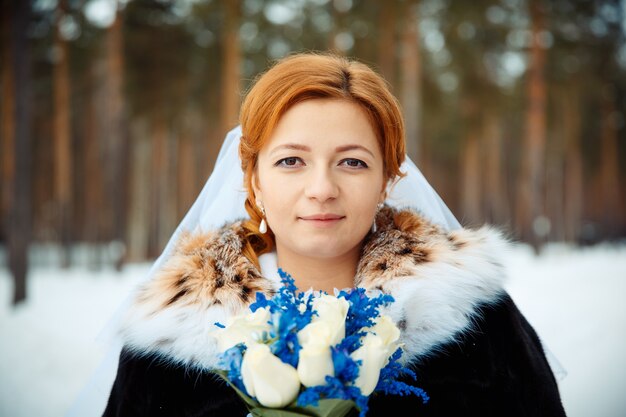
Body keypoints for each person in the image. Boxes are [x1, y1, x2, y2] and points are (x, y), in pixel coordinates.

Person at [102, 53, 566, 416]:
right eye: (290, 161)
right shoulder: (170, 344)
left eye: (352, 162)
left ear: (386, 180)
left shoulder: (473, 322)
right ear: (255, 181)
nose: (322, 189)